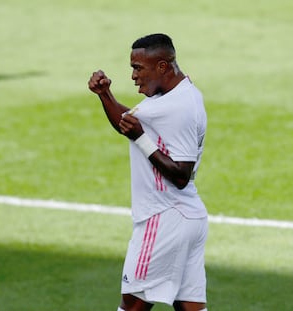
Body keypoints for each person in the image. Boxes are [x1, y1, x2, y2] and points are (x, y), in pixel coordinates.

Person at [88, 33, 208, 311]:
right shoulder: (183, 94)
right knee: (190, 307)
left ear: (162, 66)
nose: (133, 76)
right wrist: (105, 95)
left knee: (131, 306)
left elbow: (180, 175)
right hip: (189, 218)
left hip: (163, 218)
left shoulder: (178, 106)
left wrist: (142, 139)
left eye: (138, 68)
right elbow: (127, 122)